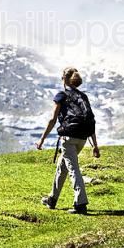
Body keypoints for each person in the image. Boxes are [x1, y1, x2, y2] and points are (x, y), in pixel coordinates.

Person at [36, 67, 100, 215]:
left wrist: (41, 140)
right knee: (62, 166)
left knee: (73, 169)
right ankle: (52, 199)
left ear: (64, 80)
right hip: (82, 139)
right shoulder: (83, 97)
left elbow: (52, 119)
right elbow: (91, 120)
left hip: (68, 138)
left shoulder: (61, 96)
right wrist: (95, 145)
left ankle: (81, 203)